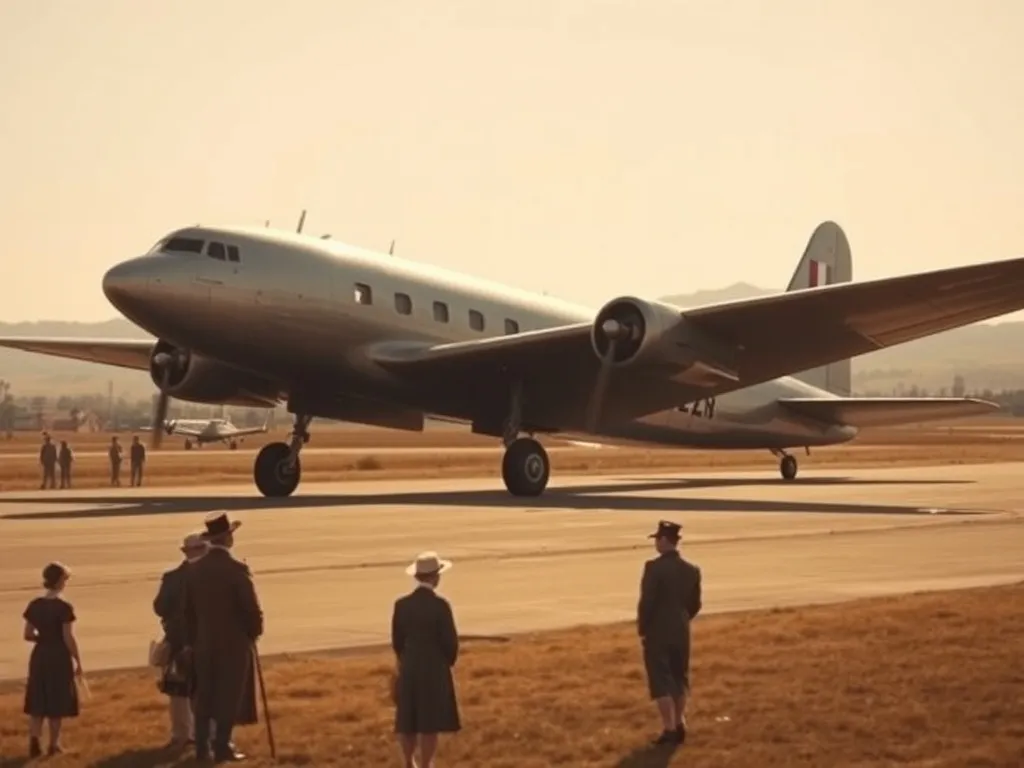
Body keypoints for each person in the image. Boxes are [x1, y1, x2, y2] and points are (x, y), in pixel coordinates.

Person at [182, 511, 263, 763]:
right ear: (228, 539)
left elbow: (188, 612)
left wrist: (194, 639)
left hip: (204, 642)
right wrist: (254, 632)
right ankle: (222, 745)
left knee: (204, 695)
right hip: (233, 643)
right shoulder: (237, 569)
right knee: (229, 695)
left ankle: (202, 748)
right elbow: (251, 609)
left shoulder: (195, 570)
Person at [391, 551, 461, 768]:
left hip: (410, 666)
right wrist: (444, 663)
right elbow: (450, 643)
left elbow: (397, 640)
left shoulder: (401, 605)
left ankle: (408, 761)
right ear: (436, 577)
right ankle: (426, 764)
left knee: (408, 720)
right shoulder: (441, 606)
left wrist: (405, 661)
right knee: (429, 723)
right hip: (433, 669)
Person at [637, 520, 703, 747]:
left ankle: (669, 727)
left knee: (660, 679)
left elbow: (647, 602)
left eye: (658, 539)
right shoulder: (692, 570)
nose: (656, 543)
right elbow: (695, 604)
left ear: (665, 541)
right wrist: (682, 619)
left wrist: (643, 627)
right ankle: (681, 721)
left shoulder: (653, 568)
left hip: (658, 629)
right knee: (679, 676)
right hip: (681, 629)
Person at [154, 533, 209, 748]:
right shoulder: (209, 576)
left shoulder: (171, 577)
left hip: (177, 640)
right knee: (204, 687)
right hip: (203, 640)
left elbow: (159, 607)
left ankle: (181, 733)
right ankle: (204, 732)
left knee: (178, 690)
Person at [23, 561, 83, 757]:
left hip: (40, 655)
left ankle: (34, 740)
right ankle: (53, 744)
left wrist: (43, 638)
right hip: (58, 656)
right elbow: (68, 637)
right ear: (59, 581)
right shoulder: (64, 607)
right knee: (56, 701)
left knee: (39, 698)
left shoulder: (35, 605)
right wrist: (77, 659)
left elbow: (28, 634)